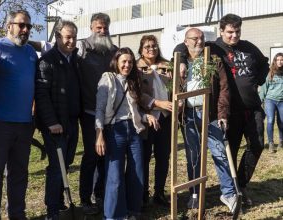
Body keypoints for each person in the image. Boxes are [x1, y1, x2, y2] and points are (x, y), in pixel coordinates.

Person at [175, 14, 269, 206]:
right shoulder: (212, 47)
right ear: (221, 31)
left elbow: (264, 64)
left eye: (237, 31)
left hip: (252, 107)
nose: (234, 36)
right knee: (228, 151)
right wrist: (182, 59)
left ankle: (240, 184)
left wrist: (257, 81)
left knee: (257, 144)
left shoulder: (249, 47)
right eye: (230, 32)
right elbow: (183, 46)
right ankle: (233, 190)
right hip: (228, 109)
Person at [180, 28, 241, 215]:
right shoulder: (179, 62)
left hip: (211, 114)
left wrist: (222, 114)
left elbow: (224, 88)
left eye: (202, 38)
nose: (199, 42)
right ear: (186, 42)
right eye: (194, 39)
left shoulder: (213, 60)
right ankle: (195, 193)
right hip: (189, 115)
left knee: (220, 153)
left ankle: (229, 194)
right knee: (194, 156)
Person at [0, 10, 37, 219]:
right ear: (9, 26)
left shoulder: (31, 52)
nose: (25, 30)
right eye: (21, 25)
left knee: (19, 174)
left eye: (28, 26)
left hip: (24, 124)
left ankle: (17, 214)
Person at [95, 47, 155, 219]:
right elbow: (99, 109)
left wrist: (146, 116)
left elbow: (133, 111)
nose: (127, 65)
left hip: (134, 130)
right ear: (117, 62)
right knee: (115, 176)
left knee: (137, 171)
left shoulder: (132, 81)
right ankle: (114, 215)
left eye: (130, 62)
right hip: (115, 131)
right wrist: (99, 134)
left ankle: (133, 211)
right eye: (124, 62)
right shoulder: (108, 79)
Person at [35, 20, 80, 220]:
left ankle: (61, 202)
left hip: (71, 121)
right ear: (58, 37)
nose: (71, 41)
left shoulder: (75, 59)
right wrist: (52, 122)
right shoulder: (47, 60)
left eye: (74, 37)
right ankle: (52, 210)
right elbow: (42, 94)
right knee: (56, 166)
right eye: (67, 37)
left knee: (66, 162)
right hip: (54, 124)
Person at [77, 12, 118, 214]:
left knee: (105, 155)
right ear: (91, 28)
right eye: (98, 28)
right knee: (92, 154)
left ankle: (100, 194)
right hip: (89, 111)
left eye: (105, 28)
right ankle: (85, 198)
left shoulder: (114, 51)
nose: (102, 31)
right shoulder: (81, 49)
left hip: (111, 113)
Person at [136, 35, 172, 208]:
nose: (151, 49)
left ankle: (159, 192)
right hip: (147, 118)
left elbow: (176, 87)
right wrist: (156, 103)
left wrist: (177, 101)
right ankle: (142, 194)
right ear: (141, 49)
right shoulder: (136, 67)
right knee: (144, 158)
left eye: (154, 46)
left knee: (163, 156)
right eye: (147, 46)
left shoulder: (167, 65)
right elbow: (136, 93)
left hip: (165, 118)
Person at [259, 52, 283, 153]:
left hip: (282, 101)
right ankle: (271, 143)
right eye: (278, 60)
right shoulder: (270, 73)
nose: (280, 62)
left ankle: (281, 141)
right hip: (270, 100)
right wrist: (259, 101)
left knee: (282, 122)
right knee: (270, 120)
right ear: (275, 61)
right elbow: (264, 88)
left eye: (281, 60)